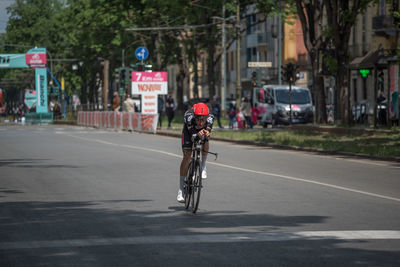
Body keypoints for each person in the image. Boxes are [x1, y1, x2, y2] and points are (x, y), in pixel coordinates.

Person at [177, 102, 214, 203]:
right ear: (194, 116)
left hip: (200, 132)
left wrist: (206, 134)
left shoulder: (210, 118)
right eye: (198, 119)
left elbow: (208, 132)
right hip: (189, 133)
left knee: (206, 139)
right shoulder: (188, 117)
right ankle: (181, 189)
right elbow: (193, 135)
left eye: (203, 119)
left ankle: (203, 165)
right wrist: (196, 135)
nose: (201, 122)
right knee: (187, 155)